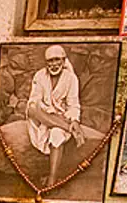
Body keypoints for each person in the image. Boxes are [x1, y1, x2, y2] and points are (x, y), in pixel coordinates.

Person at [26, 45, 86, 187]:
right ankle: (68, 128)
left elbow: (73, 104)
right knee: (32, 107)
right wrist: (46, 112)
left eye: (57, 60)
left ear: (63, 60)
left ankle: (52, 179)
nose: (53, 64)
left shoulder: (71, 78)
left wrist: (74, 120)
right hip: (42, 116)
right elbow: (34, 100)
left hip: (60, 117)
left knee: (57, 134)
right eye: (50, 61)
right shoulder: (40, 75)